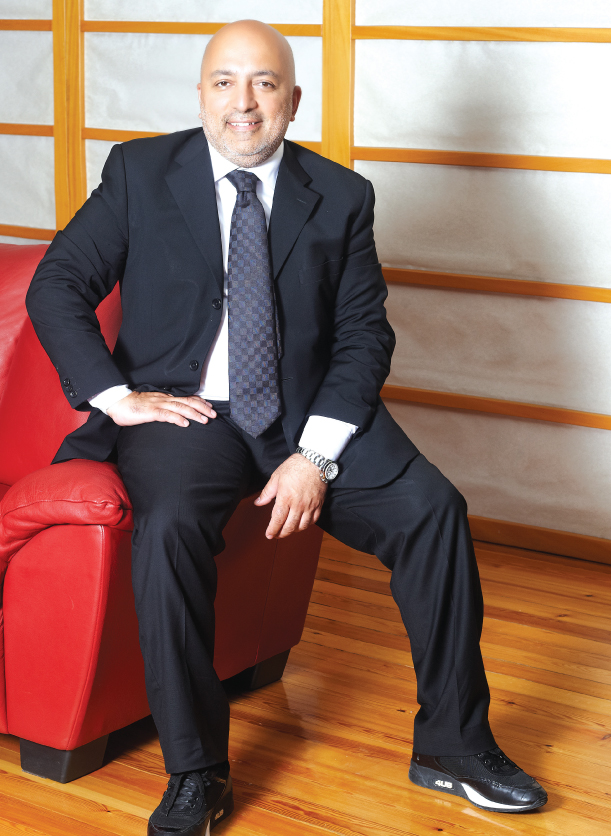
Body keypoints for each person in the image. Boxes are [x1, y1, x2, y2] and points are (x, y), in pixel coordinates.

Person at [26, 19, 547, 835]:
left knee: (432, 510)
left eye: (264, 84)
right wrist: (117, 397)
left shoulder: (340, 195)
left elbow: (363, 335)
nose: (243, 102)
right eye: (224, 82)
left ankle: (453, 744)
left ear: (293, 100)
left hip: (306, 413)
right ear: (200, 94)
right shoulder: (138, 171)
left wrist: (314, 455)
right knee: (168, 528)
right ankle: (195, 770)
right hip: (186, 413)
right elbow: (57, 283)